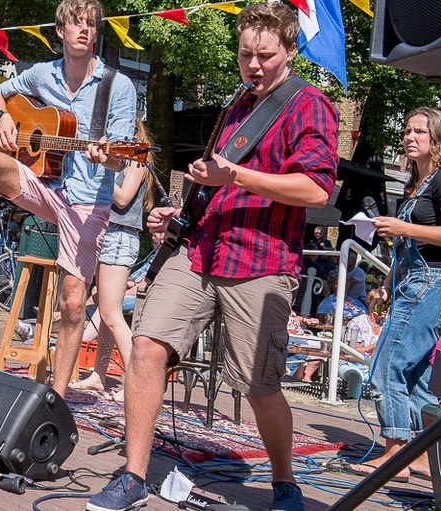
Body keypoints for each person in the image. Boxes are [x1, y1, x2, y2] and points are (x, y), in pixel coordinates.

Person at [86, 4, 339, 511]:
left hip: (262, 259)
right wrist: (179, 212)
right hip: (199, 248)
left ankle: (285, 482)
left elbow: (317, 190)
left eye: (265, 55)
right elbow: (215, 178)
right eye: (245, 54)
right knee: (146, 348)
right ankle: (133, 476)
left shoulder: (310, 104)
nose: (253, 64)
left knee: (259, 384)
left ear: (290, 51)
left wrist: (236, 176)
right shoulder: (235, 105)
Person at [0, 0, 137, 400]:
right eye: (76, 23)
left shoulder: (117, 86)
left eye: (91, 24)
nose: (85, 30)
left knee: (73, 304)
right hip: (44, 184)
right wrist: (4, 117)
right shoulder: (43, 74)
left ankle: (54, 399)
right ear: (60, 31)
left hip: (86, 201)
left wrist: (106, 156)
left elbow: (122, 156)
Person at [347, 106, 441, 482]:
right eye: (406, 130)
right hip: (412, 280)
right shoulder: (415, 184)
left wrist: (403, 227)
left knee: (387, 364)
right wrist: (386, 285)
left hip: (432, 282)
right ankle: (423, 456)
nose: (409, 137)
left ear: (437, 139)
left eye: (419, 131)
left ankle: (396, 453)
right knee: (415, 374)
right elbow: (407, 246)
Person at [69, 117, 155, 401]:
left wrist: (99, 173)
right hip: (105, 231)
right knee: (106, 312)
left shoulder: (137, 157)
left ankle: (137, 382)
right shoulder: (114, 154)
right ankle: (98, 374)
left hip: (120, 235)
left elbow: (123, 198)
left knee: (111, 314)